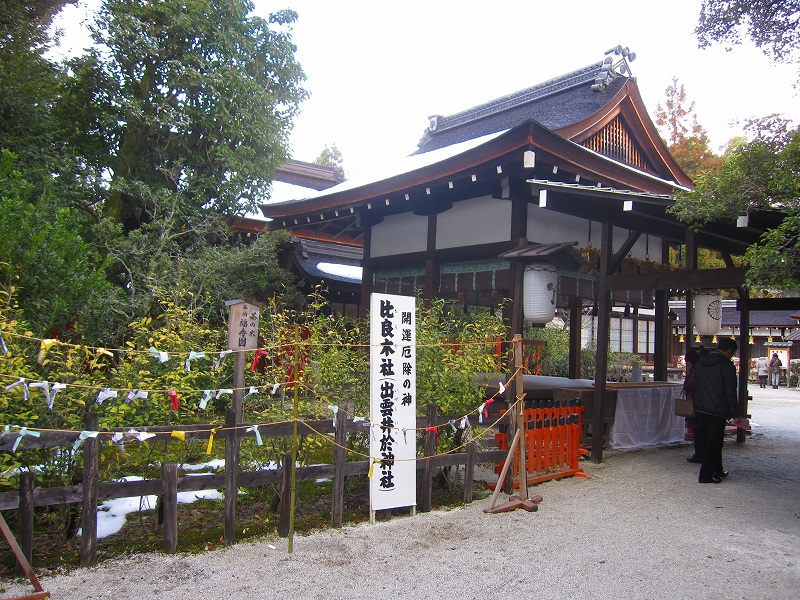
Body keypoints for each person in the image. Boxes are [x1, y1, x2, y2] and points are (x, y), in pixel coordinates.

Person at [692, 337, 740, 484]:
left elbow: (693, 384)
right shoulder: (726, 365)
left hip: (701, 407)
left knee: (709, 440)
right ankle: (705, 475)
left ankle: (717, 469)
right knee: (714, 443)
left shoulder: (701, 362)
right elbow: (730, 392)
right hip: (717, 409)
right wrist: (735, 414)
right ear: (729, 351)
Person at [684, 346, 705, 464]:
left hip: (696, 405)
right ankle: (701, 453)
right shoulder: (702, 370)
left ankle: (699, 454)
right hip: (702, 405)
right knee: (700, 431)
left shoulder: (694, 372)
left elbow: (689, 386)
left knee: (698, 431)